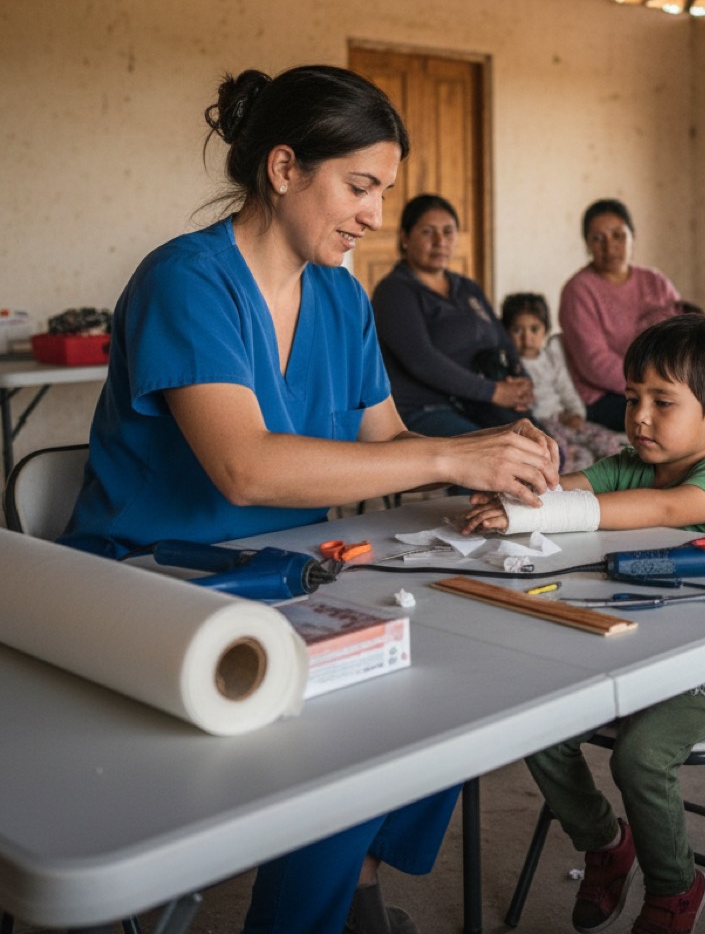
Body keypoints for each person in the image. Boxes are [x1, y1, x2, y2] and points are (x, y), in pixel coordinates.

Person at [64, 65, 559, 934]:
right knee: (351, 712)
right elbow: (246, 469)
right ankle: (317, 914)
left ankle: (348, 890)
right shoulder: (187, 280)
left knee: (461, 676)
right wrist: (452, 451)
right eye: (360, 187)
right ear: (285, 168)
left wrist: (497, 464)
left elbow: (383, 446)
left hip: (278, 574)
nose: (376, 216)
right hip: (145, 584)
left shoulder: (339, 296)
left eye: (383, 192)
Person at [464, 314, 705, 934]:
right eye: (631, 399)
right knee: (536, 723)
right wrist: (511, 496)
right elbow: (559, 496)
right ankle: (606, 844)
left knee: (639, 757)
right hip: (629, 649)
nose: (639, 416)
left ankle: (677, 885)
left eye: (661, 402)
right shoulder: (626, 463)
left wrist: (550, 509)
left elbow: (659, 509)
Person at [372, 194, 533, 437]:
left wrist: (521, 382)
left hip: (480, 404)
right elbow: (422, 360)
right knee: (505, 459)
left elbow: (503, 341)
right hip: (427, 409)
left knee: (547, 450)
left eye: (448, 232)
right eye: (428, 232)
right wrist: (493, 392)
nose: (440, 241)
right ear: (405, 238)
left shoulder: (468, 288)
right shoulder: (394, 291)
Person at [559, 198, 684, 432]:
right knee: (673, 421)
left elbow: (683, 334)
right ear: (587, 244)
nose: (609, 246)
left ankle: (704, 468)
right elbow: (595, 364)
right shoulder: (579, 290)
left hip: (661, 384)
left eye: (618, 235)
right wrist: (652, 385)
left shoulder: (655, 281)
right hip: (603, 395)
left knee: (702, 410)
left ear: (633, 236)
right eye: (597, 238)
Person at [501, 292, 626, 471]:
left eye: (534, 329)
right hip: (538, 424)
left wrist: (576, 413)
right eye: (517, 330)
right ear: (505, 332)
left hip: (562, 417)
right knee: (565, 454)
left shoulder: (551, 358)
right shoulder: (509, 364)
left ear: (545, 329)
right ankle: (573, 488)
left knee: (605, 440)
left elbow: (566, 388)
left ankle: (617, 474)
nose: (527, 338)